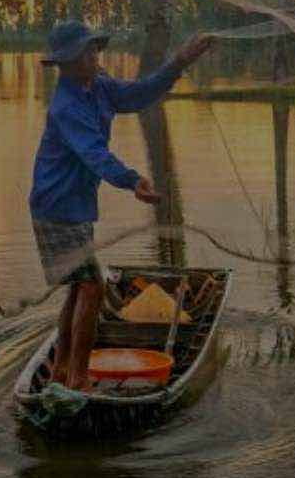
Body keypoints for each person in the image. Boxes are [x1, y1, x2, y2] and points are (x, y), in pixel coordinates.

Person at [29, 20, 217, 395]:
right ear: (67, 63)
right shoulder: (66, 106)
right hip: (56, 206)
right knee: (92, 286)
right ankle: (79, 380)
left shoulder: (98, 87)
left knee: (78, 287)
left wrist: (179, 62)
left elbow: (138, 94)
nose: (95, 56)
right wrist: (133, 180)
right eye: (87, 52)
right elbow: (94, 154)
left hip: (77, 206)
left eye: (95, 49)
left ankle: (62, 371)